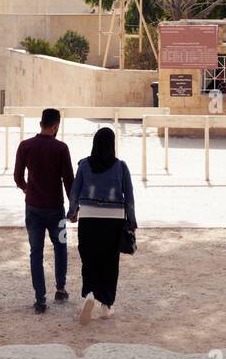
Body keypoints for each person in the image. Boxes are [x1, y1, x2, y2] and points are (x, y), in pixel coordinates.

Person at [67, 127, 136, 324]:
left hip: (89, 218)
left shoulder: (84, 166)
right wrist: (131, 221)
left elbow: (74, 191)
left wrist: (73, 212)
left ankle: (89, 293)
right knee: (109, 262)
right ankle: (106, 305)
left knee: (89, 259)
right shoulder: (121, 167)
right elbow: (129, 197)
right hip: (113, 221)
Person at [14, 108, 74, 314]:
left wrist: (27, 189)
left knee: (35, 253)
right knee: (60, 247)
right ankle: (60, 288)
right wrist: (73, 208)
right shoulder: (61, 148)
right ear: (56, 125)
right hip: (55, 209)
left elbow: (17, 177)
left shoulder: (25, 146)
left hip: (33, 208)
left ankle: (40, 299)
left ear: (41, 123)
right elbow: (69, 181)